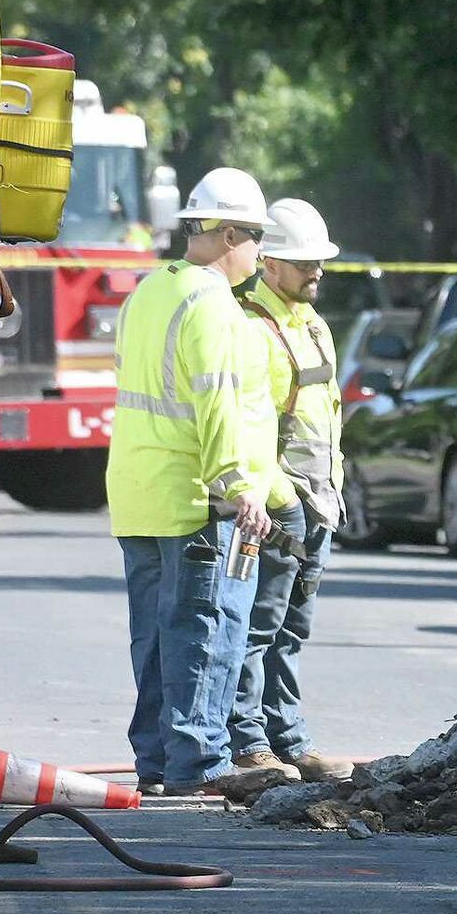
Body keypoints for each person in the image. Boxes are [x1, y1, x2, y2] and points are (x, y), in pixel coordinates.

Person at [106, 167, 291, 801]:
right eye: (257, 239)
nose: (260, 254)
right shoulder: (211, 303)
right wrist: (239, 486)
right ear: (230, 233)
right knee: (204, 630)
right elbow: (216, 404)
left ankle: (157, 761)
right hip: (195, 497)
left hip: (138, 490)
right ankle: (199, 763)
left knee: (154, 636)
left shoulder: (148, 291)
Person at [227, 198, 354, 784]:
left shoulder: (314, 324)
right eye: (306, 264)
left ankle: (289, 737)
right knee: (259, 623)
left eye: (320, 262)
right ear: (270, 264)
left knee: (292, 627)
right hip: (282, 502)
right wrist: (280, 497)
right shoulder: (251, 325)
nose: (317, 273)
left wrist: (333, 486)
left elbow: (325, 413)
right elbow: (248, 422)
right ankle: (249, 740)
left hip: (320, 498)